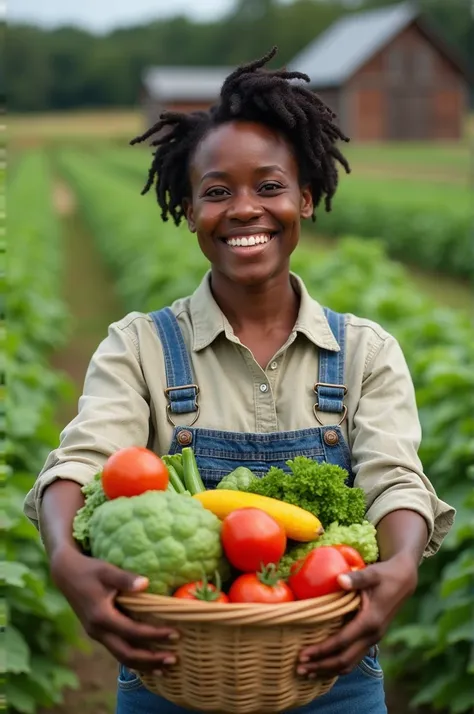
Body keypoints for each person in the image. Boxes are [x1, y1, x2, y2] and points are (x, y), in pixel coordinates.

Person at [24, 47, 454, 714]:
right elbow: (80, 463)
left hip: (333, 669)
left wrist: (398, 565)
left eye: (270, 186)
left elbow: (394, 478)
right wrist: (63, 555)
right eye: (217, 191)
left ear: (306, 198)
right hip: (172, 664)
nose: (245, 209)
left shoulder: (366, 351)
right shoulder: (138, 346)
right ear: (188, 210)